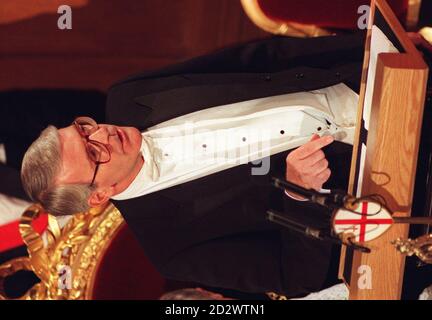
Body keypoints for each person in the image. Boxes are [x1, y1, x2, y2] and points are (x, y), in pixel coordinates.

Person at [20, 33, 366, 297]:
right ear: (99, 195)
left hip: (360, 82)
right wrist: (299, 195)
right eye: (93, 153)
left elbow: (256, 57)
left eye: (84, 128)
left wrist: (367, 44)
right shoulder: (169, 245)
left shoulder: (128, 95)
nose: (103, 134)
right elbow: (295, 276)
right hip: (372, 184)